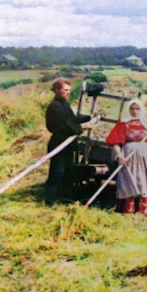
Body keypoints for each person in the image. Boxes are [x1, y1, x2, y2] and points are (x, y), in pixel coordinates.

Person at [105, 99, 147, 216]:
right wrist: (120, 155)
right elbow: (115, 142)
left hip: (146, 156)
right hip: (129, 156)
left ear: (142, 109)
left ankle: (145, 209)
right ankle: (129, 208)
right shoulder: (123, 123)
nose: (134, 111)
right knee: (130, 179)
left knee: (145, 181)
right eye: (132, 109)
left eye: (137, 109)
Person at [44, 78, 95, 206]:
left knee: (68, 172)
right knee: (57, 173)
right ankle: (49, 201)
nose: (68, 93)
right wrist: (83, 127)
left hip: (68, 145)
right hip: (59, 144)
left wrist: (90, 117)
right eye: (65, 90)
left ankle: (65, 199)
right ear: (57, 90)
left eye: (69, 90)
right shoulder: (54, 107)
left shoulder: (64, 104)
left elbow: (72, 119)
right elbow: (67, 125)